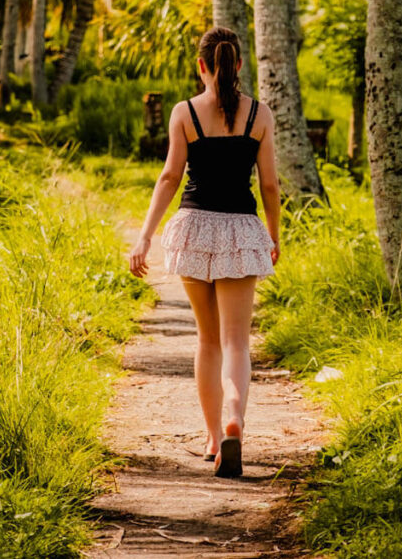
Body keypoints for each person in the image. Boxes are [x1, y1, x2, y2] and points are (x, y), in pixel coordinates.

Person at [127, 26, 281, 478]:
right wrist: (273, 235)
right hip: (241, 229)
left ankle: (214, 436)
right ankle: (236, 421)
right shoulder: (260, 115)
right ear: (237, 64)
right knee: (237, 341)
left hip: (194, 228)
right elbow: (270, 184)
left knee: (207, 340)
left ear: (202, 65)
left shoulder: (185, 112)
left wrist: (145, 236)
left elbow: (169, 178)